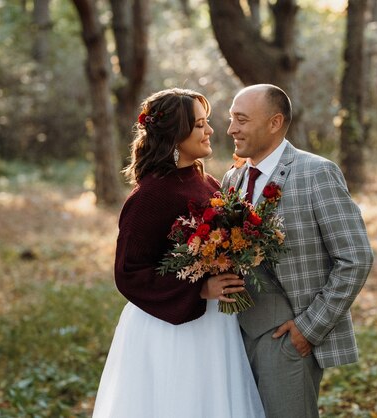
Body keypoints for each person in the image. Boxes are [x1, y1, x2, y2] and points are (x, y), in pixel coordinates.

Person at [92, 88, 265, 418]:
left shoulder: (207, 181)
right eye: (200, 124)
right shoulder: (149, 196)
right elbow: (129, 272)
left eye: (207, 122)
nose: (210, 130)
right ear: (175, 133)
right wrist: (199, 288)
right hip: (171, 327)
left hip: (214, 325)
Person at [222, 84, 374, 418]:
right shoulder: (232, 179)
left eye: (241, 120)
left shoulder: (316, 172)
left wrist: (309, 328)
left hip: (287, 337)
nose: (231, 128)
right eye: (232, 119)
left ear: (275, 122)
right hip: (232, 337)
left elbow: (356, 258)